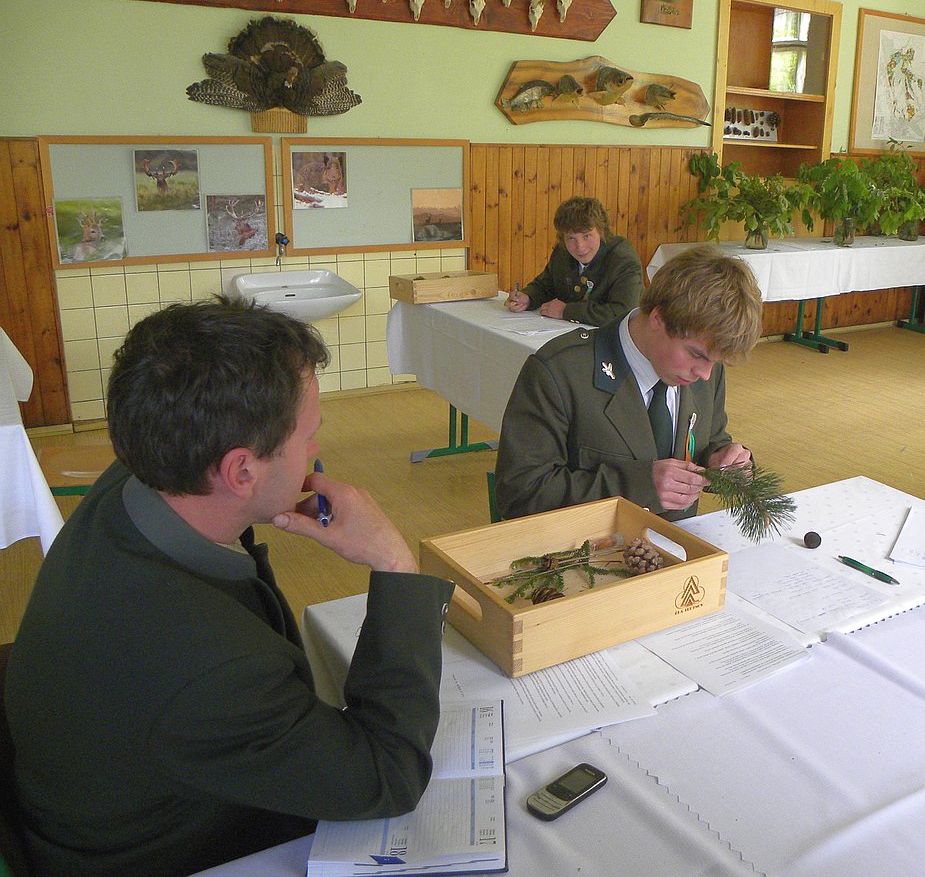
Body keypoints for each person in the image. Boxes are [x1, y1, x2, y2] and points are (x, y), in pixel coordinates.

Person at [5, 299, 454, 877]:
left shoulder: (142, 474)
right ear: (241, 471)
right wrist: (393, 564)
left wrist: (265, 495)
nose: (316, 451)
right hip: (167, 854)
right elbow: (388, 777)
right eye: (309, 436)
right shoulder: (211, 667)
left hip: (96, 793)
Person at [495, 242, 762, 521]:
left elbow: (708, 439)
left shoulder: (705, 371)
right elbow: (519, 494)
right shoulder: (561, 371)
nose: (705, 374)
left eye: (716, 361)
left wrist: (722, 459)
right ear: (658, 318)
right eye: (696, 354)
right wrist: (637, 486)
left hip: (673, 541)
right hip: (586, 544)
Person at [504, 195, 642, 325]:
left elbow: (624, 313)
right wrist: (528, 297)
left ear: (601, 232)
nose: (580, 247)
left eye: (587, 236)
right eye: (571, 238)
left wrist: (566, 311)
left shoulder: (623, 259)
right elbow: (546, 285)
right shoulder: (563, 252)